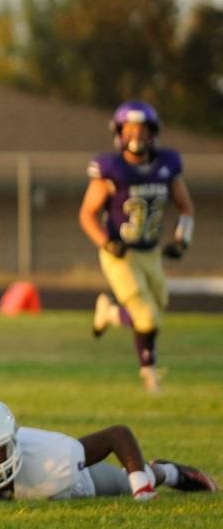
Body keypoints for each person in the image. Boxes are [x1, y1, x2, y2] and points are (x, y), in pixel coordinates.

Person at [0, 396, 217, 505]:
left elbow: (117, 434)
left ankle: (168, 472)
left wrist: (140, 487)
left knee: (128, 477)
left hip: (76, 484)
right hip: (43, 483)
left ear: (13, 442)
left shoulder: (51, 457)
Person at [78, 101, 195, 394]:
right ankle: (149, 375)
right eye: (129, 128)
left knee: (159, 305)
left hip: (150, 251)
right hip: (120, 254)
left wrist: (182, 240)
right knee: (146, 316)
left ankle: (110, 313)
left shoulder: (167, 165)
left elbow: (186, 207)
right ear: (119, 132)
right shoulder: (110, 170)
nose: (136, 135)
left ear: (153, 132)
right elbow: (87, 214)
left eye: (142, 129)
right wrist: (106, 242)